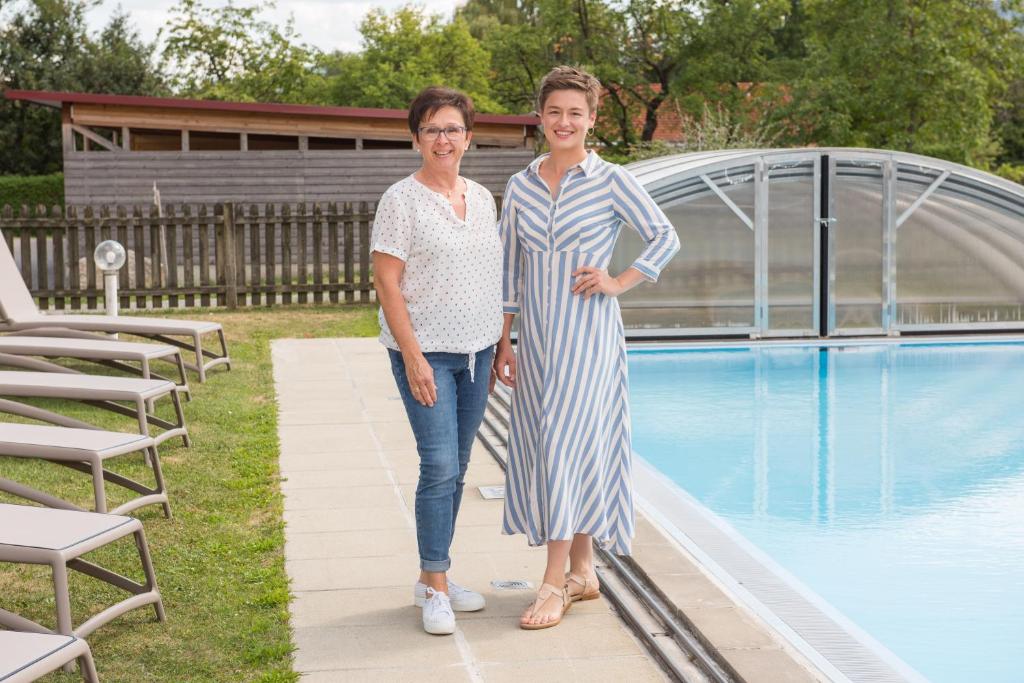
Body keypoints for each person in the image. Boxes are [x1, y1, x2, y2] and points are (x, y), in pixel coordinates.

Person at [493, 66, 680, 630]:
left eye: (576, 112)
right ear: (541, 117)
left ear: (592, 119)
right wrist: (505, 340)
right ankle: (583, 570)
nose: (565, 121)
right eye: (555, 112)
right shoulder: (520, 184)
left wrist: (620, 280)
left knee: (564, 445)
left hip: (589, 340)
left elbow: (665, 235)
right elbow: (508, 269)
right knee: (558, 445)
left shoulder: (611, 180)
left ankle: (552, 583)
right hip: (539, 341)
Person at [371, 86, 503, 636]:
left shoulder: (483, 198)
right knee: (440, 466)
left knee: (459, 469)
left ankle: (435, 577)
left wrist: (503, 343)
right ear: (416, 139)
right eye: (431, 129)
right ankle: (436, 585)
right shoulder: (400, 200)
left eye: (452, 129)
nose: (442, 138)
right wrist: (414, 357)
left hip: (478, 352)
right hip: (425, 355)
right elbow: (386, 281)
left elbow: (495, 277)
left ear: (468, 138)